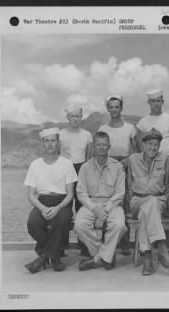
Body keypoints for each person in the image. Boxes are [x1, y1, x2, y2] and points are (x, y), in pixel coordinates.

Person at [24, 128, 78, 274]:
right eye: (46, 141)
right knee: (32, 223)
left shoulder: (67, 164)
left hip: (62, 202)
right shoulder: (35, 165)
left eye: (53, 141)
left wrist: (58, 208)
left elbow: (70, 194)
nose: (50, 144)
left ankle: (42, 258)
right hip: (42, 202)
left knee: (62, 219)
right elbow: (30, 194)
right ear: (43, 144)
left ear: (58, 143)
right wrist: (42, 208)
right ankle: (54, 256)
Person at [74, 131, 127, 271]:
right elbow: (81, 193)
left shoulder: (118, 167)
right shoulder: (85, 168)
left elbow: (120, 193)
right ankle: (106, 255)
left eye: (104, 145)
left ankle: (97, 258)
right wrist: (96, 210)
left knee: (120, 225)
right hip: (91, 204)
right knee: (79, 225)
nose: (102, 148)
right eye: (98, 145)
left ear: (109, 146)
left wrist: (106, 210)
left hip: (113, 204)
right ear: (93, 147)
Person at [127, 128, 169, 275]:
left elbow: (168, 185)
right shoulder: (133, 159)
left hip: (158, 200)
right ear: (143, 145)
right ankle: (161, 246)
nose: (153, 147)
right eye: (150, 144)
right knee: (148, 205)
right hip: (137, 200)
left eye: (156, 144)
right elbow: (128, 185)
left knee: (148, 209)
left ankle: (147, 258)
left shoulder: (165, 159)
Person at [98, 95, 138, 255]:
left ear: (121, 108)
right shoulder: (103, 129)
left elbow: (136, 150)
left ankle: (125, 242)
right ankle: (106, 241)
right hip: (108, 166)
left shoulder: (130, 128)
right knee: (107, 201)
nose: (114, 109)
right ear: (108, 108)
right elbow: (99, 149)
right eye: (111, 106)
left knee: (126, 202)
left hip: (126, 166)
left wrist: (128, 161)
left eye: (117, 106)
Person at [59, 103, 93, 256]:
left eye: (78, 116)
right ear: (68, 117)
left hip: (82, 169)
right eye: (72, 116)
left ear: (81, 117)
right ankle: (61, 246)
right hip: (65, 170)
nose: (75, 119)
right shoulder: (60, 134)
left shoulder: (87, 135)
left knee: (82, 207)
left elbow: (89, 157)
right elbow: (57, 157)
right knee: (65, 208)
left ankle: (84, 244)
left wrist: (85, 173)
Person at [136, 89, 169, 156]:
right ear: (149, 102)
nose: (156, 104)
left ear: (162, 102)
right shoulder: (142, 123)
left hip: (167, 158)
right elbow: (140, 146)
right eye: (153, 101)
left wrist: (168, 158)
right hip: (150, 160)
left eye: (158, 101)